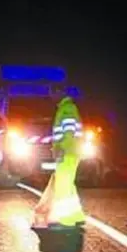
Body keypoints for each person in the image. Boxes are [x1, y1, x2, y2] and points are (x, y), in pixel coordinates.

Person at [33, 95, 87, 227]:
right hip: (71, 151)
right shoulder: (67, 108)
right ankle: (76, 214)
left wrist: (61, 149)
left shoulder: (66, 109)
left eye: (53, 92)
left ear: (59, 93)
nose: (51, 96)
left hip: (67, 151)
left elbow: (69, 132)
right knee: (68, 184)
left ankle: (65, 218)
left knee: (62, 185)